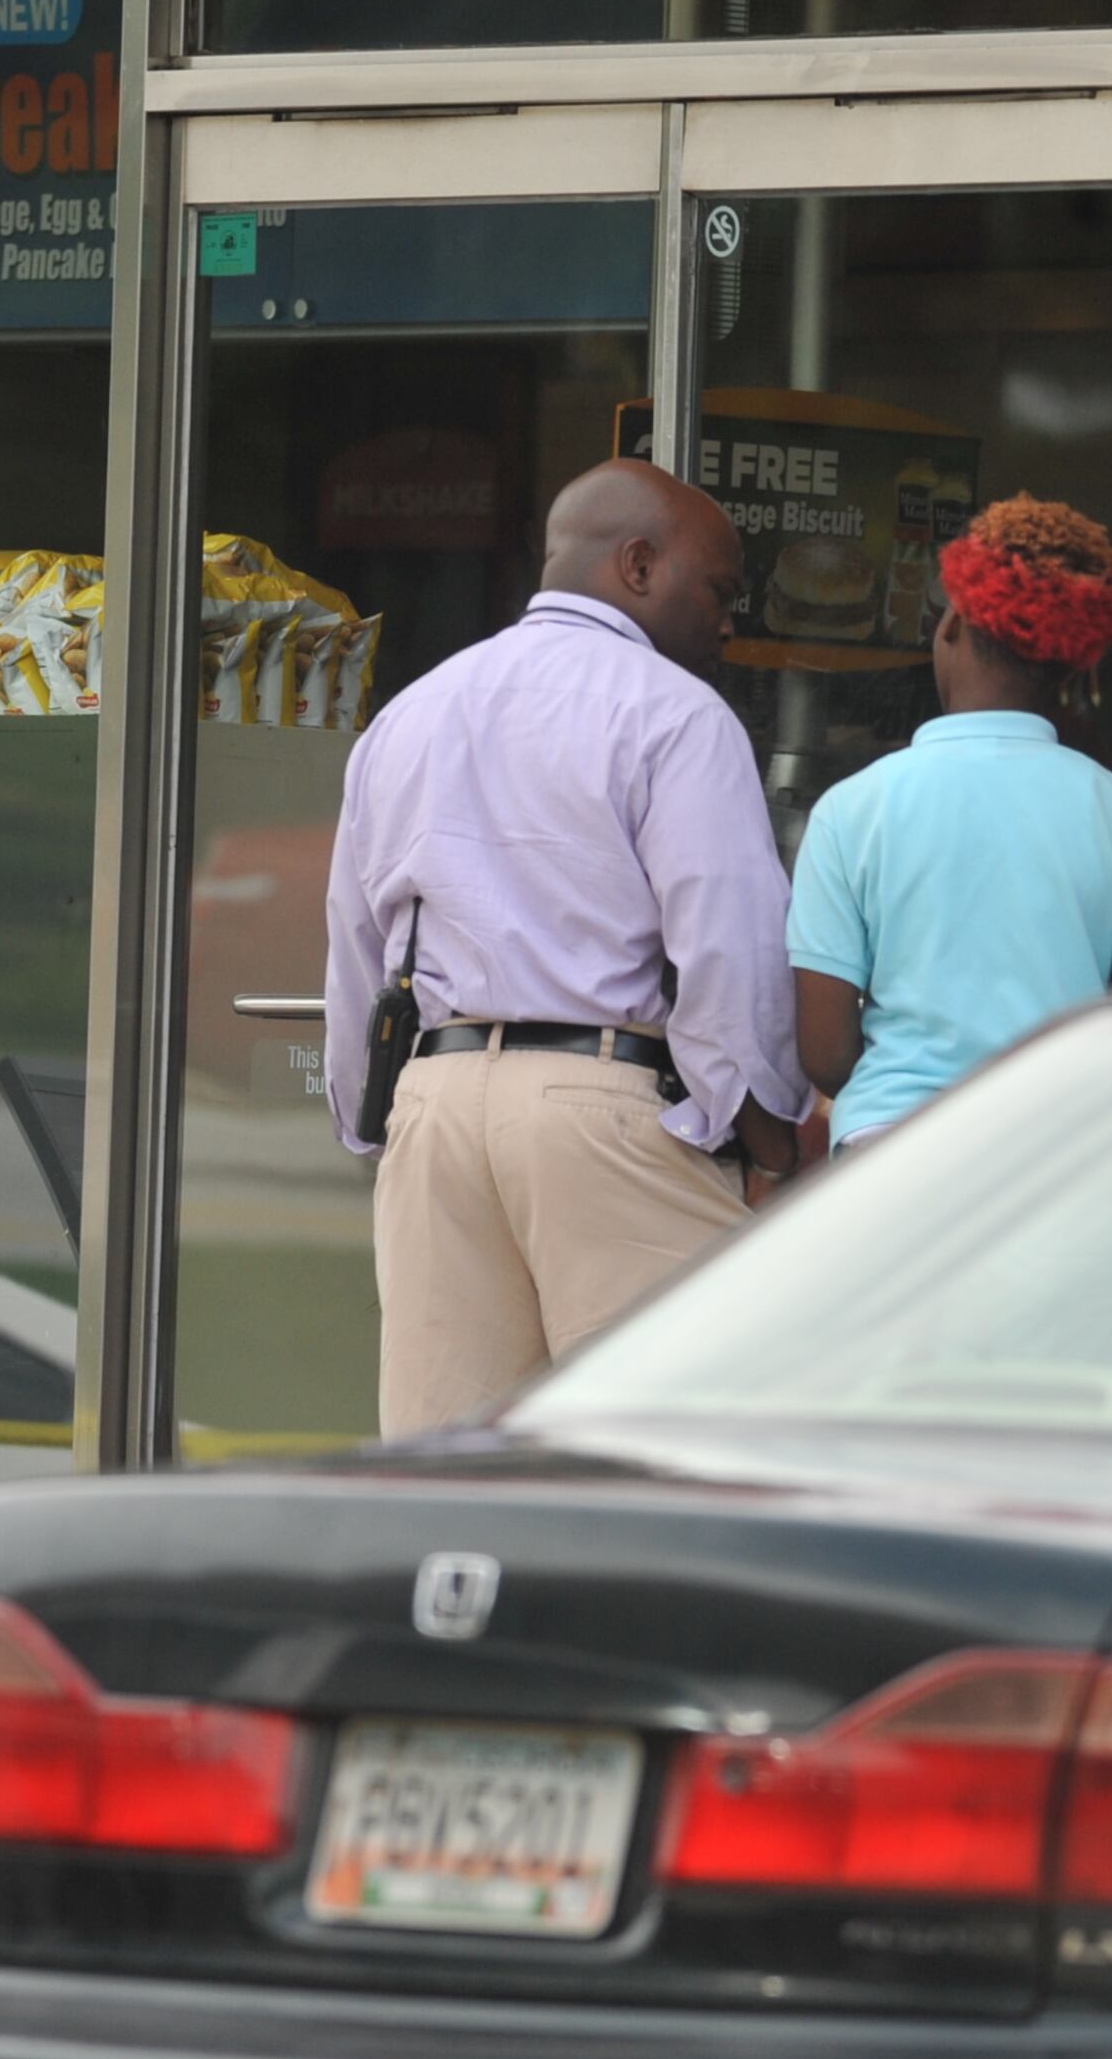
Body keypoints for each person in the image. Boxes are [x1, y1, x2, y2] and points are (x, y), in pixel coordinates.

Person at [324, 459, 810, 1433]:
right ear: (638, 565)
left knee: (452, 1463)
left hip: (434, 1105)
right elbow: (727, 948)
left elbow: (354, 942)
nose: (728, 625)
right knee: (691, 1450)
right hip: (602, 1104)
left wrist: (373, 1121)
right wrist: (768, 1142)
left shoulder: (411, 712)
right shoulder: (678, 714)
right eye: (719, 591)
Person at [787, 496, 1112, 1148]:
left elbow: (827, 1052)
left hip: (895, 1149)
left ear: (950, 625)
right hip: (1071, 1155)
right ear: (1073, 662)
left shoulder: (851, 809)